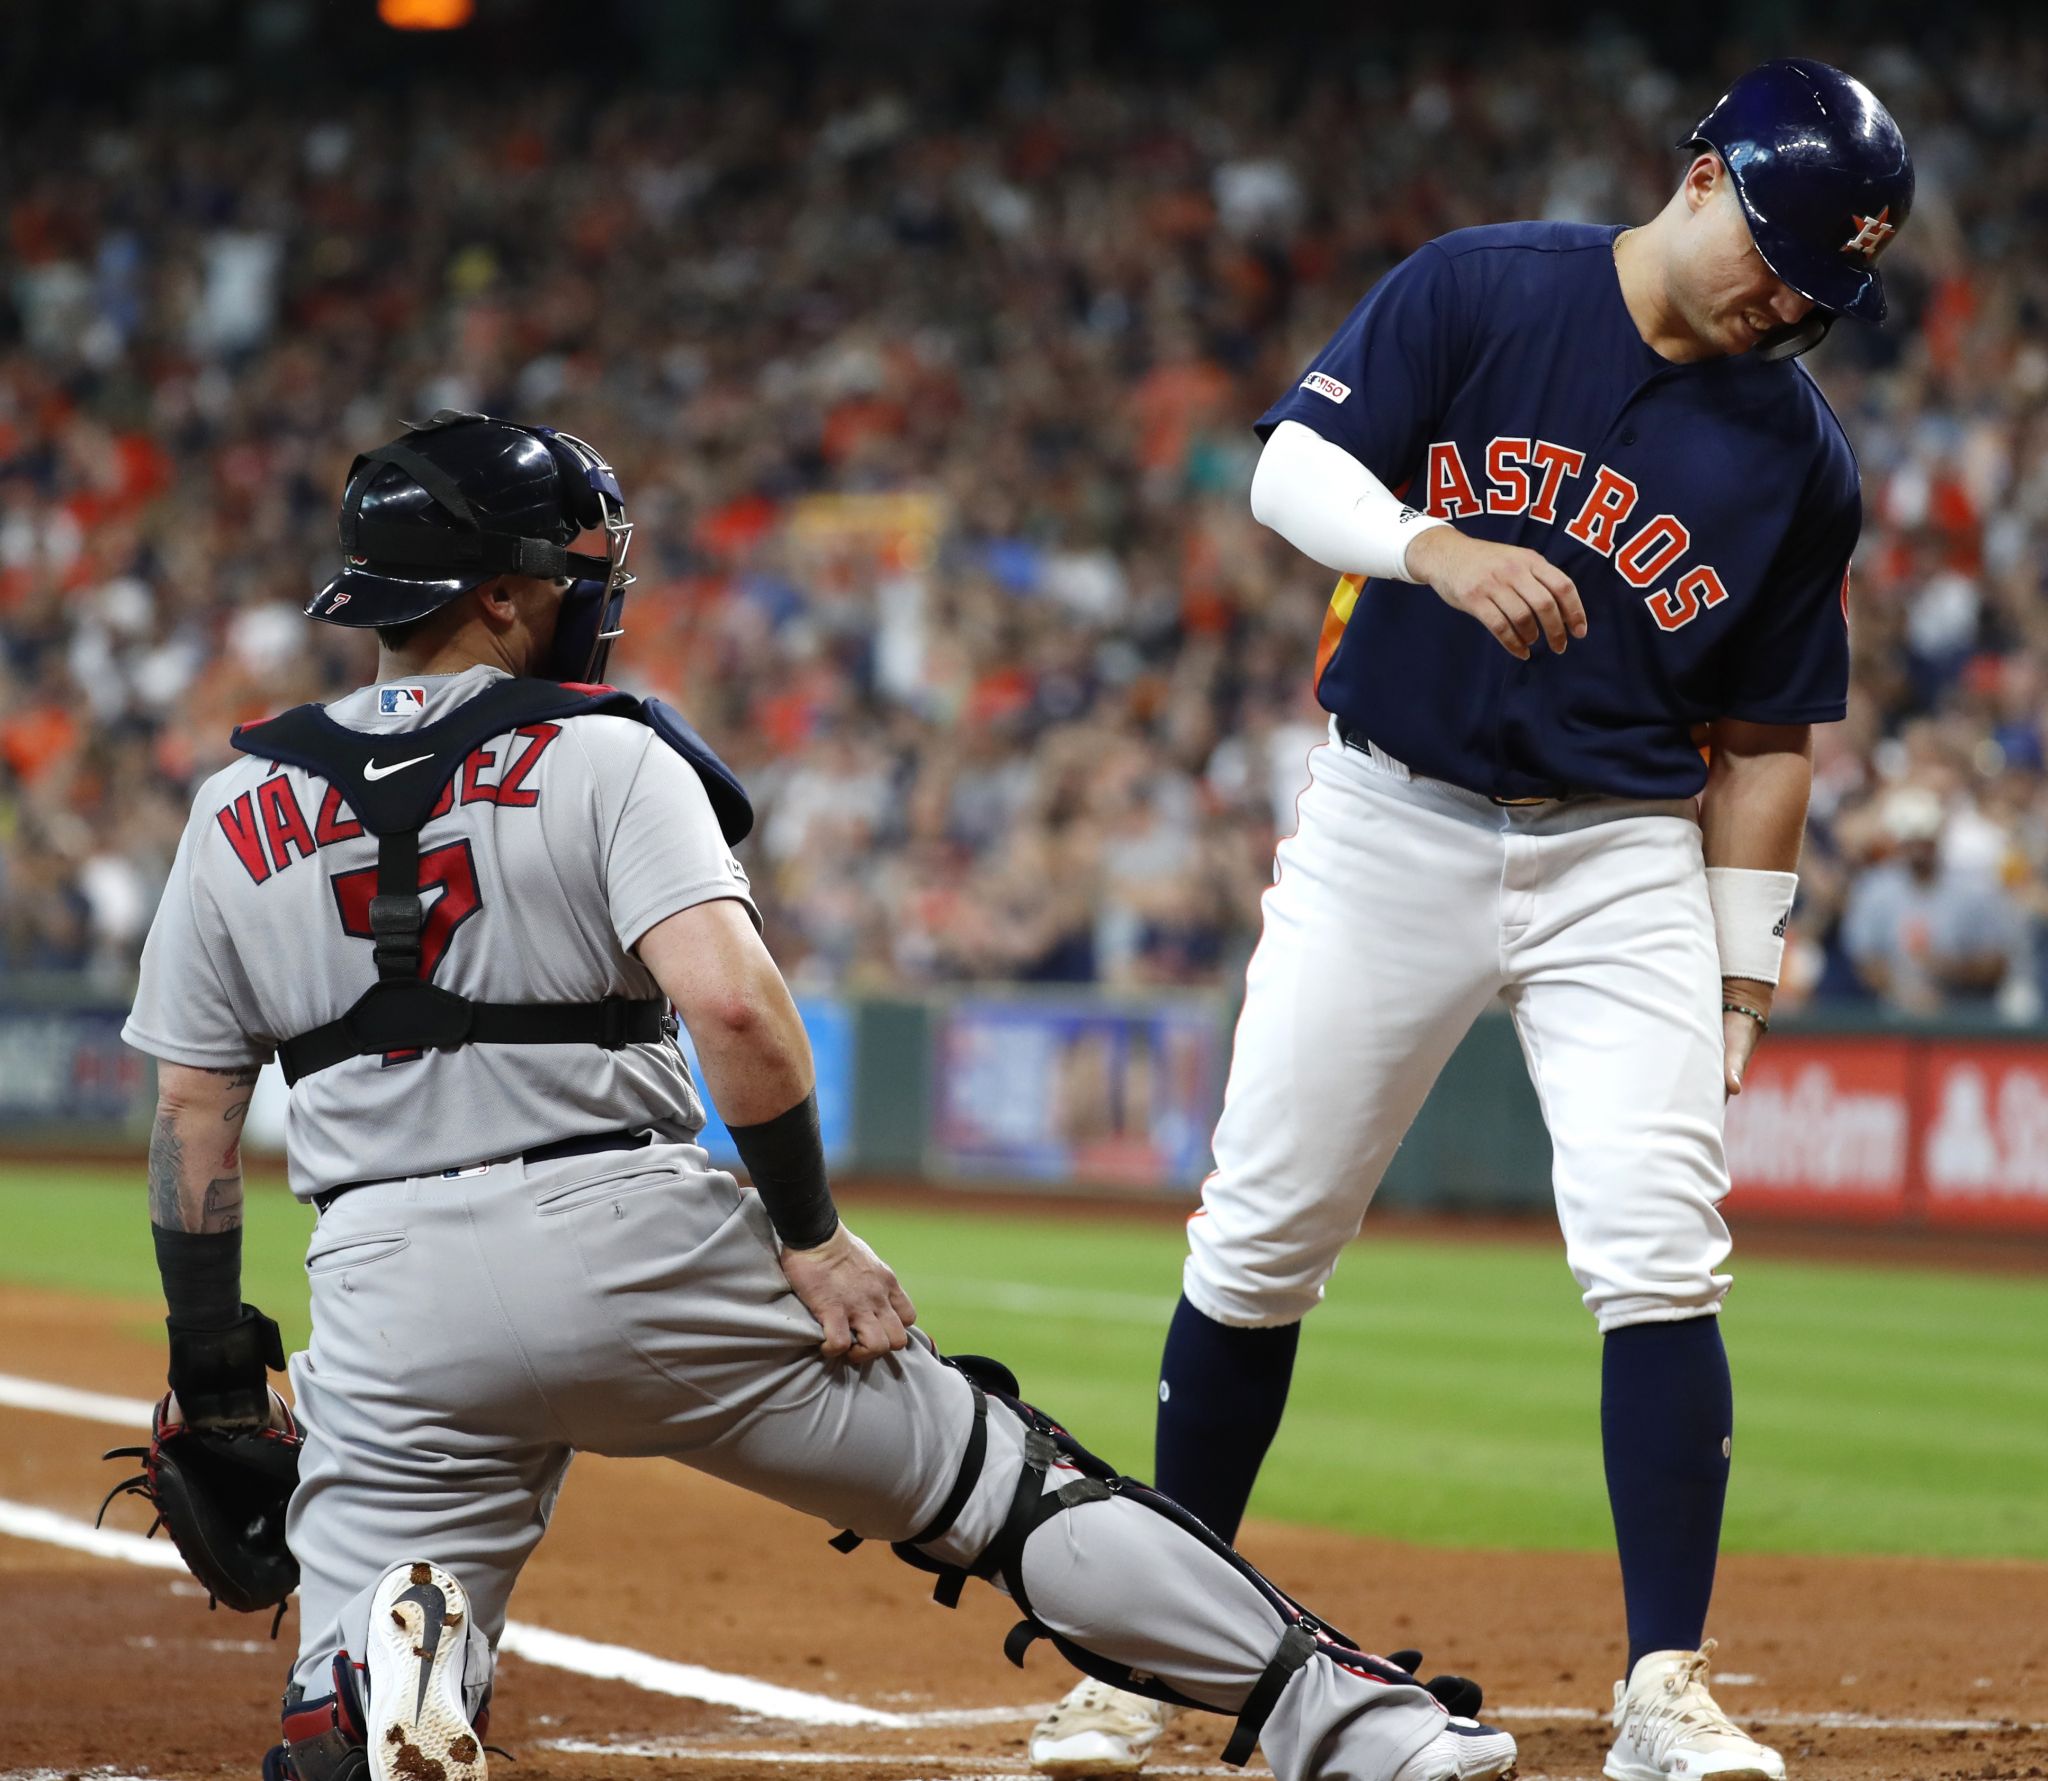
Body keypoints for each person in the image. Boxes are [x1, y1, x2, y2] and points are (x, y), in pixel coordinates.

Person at [120, 411, 1519, 1781]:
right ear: (498, 593)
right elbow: (734, 1005)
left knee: (375, 1617)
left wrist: (216, 1376)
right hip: (633, 1234)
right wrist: (809, 1230)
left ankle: (383, 1662)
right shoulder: (608, 748)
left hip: (386, 1284)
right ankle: (1364, 1730)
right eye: (568, 565)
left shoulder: (231, 801)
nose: (590, 588)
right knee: (1008, 1493)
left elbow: (194, 1120)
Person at [1027, 59, 1912, 1781]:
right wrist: (1433, 548)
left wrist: (1740, 974)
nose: (1789, 302)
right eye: (1782, 255)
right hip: (1386, 823)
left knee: (1659, 1247)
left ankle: (1664, 1689)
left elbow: (1768, 742)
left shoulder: (1796, 453)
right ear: (1706, 176)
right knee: (1260, 1235)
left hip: (1619, 862)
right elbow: (1291, 471)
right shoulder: (1480, 288)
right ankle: (1141, 1656)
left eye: (1823, 287)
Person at [1841, 786, 2025, 1013]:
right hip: (1892, 1015)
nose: (1918, 850)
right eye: (1911, 841)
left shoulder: (1973, 890)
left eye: (1924, 841)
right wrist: (1908, 991)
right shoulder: (1876, 889)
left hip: (1965, 1012)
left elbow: (1998, 962)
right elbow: (1865, 961)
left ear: (1937, 839)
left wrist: (1951, 970)